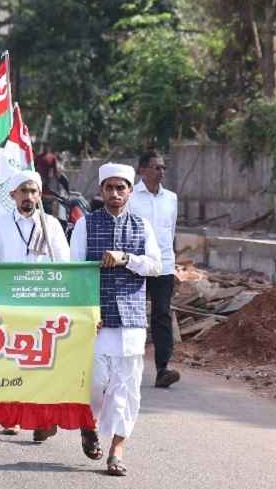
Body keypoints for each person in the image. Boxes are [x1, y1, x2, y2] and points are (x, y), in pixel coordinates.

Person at [70, 163, 161, 477]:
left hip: (132, 319)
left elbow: (155, 265)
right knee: (96, 383)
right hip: (97, 319)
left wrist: (127, 259)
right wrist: (84, 312)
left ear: (130, 191)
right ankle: (89, 425)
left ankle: (117, 451)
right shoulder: (85, 225)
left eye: (120, 188)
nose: (115, 193)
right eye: (109, 187)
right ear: (101, 191)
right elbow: (75, 270)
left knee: (127, 387)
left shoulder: (142, 226)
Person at [0, 169, 71, 440]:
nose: (28, 196)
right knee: (10, 362)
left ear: (39, 195)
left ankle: (41, 420)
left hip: (43, 305)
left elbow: (63, 264)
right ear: (13, 195)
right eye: (23, 191)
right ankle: (12, 417)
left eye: (33, 191)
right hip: (10, 304)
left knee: (40, 364)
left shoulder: (50, 224)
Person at [129, 151, 180, 388]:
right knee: (132, 315)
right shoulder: (130, 197)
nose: (161, 171)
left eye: (163, 167)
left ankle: (163, 369)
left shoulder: (171, 198)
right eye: (155, 167)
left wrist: (172, 262)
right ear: (142, 170)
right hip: (135, 265)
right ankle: (127, 368)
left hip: (164, 265)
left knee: (161, 314)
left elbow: (171, 233)